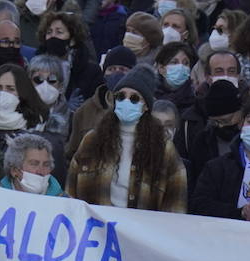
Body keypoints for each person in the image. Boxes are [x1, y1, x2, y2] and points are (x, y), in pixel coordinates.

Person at [67, 65, 187, 212]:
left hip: (141, 232)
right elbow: (71, 192)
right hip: (96, 231)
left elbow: (176, 204)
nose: (126, 102)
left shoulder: (163, 148)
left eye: (134, 98)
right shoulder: (92, 140)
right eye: (121, 96)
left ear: (146, 107)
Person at [0, 131, 63, 195]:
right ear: (14, 171)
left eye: (46, 165)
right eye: (34, 164)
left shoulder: (66, 203)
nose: (40, 171)